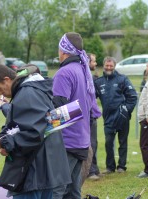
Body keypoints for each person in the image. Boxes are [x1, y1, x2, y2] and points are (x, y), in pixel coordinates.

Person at [0, 64, 71, 198]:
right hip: (43, 171)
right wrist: (2, 138)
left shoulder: (27, 93)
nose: (0, 94)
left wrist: (4, 143)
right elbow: (20, 125)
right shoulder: (31, 90)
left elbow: (33, 133)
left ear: (7, 79)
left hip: (33, 172)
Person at [52, 32, 94, 199]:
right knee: (73, 191)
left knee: (57, 190)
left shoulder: (64, 73)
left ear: (63, 50)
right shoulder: (82, 69)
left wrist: (38, 128)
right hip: (82, 140)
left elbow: (59, 108)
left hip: (68, 142)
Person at [94, 56, 138, 174]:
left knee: (122, 142)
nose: (109, 67)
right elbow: (91, 98)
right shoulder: (98, 82)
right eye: (107, 65)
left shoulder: (122, 79)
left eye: (111, 66)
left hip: (122, 117)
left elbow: (133, 96)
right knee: (108, 143)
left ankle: (121, 167)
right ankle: (110, 167)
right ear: (103, 66)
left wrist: (126, 110)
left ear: (114, 66)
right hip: (108, 118)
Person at [86, 53, 101, 180]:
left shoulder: (91, 76)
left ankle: (94, 168)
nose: (95, 64)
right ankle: (90, 171)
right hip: (87, 115)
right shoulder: (84, 76)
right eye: (94, 61)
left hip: (92, 114)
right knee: (89, 143)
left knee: (94, 143)